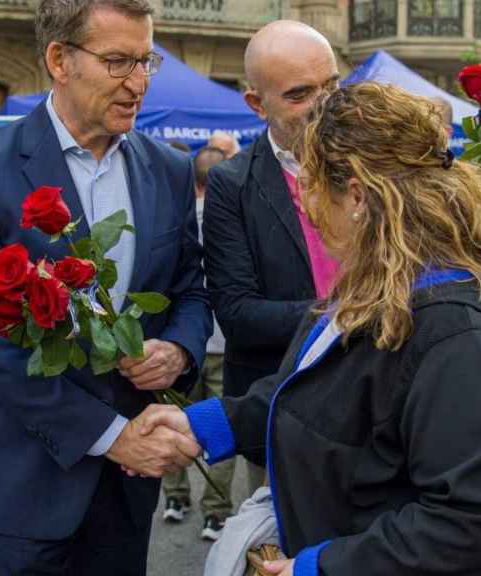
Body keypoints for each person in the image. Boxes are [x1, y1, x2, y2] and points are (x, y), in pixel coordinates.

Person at [140, 82, 481, 576]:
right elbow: (318, 397)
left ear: (355, 195)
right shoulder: (380, 288)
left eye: (309, 184)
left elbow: (465, 521)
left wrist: (319, 568)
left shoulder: (460, 337)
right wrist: (206, 426)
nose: (304, 203)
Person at [0, 0, 211, 573]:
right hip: (26, 481)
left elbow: (191, 289)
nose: (138, 84)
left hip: (128, 490)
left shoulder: (170, 167)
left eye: (145, 61)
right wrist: (113, 437)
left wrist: (178, 349)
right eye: (118, 62)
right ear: (60, 59)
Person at [202, 20, 341, 498]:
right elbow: (239, 314)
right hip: (283, 408)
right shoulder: (232, 184)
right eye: (301, 94)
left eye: (333, 85)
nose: (325, 104)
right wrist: (350, 313)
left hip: (382, 407)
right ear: (257, 104)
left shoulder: (376, 163)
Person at [160, 145, 233, 540]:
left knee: (174, 422)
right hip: (224, 341)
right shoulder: (235, 219)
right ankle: (216, 512)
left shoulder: (174, 219)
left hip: (180, 344)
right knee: (219, 426)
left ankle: (175, 498)